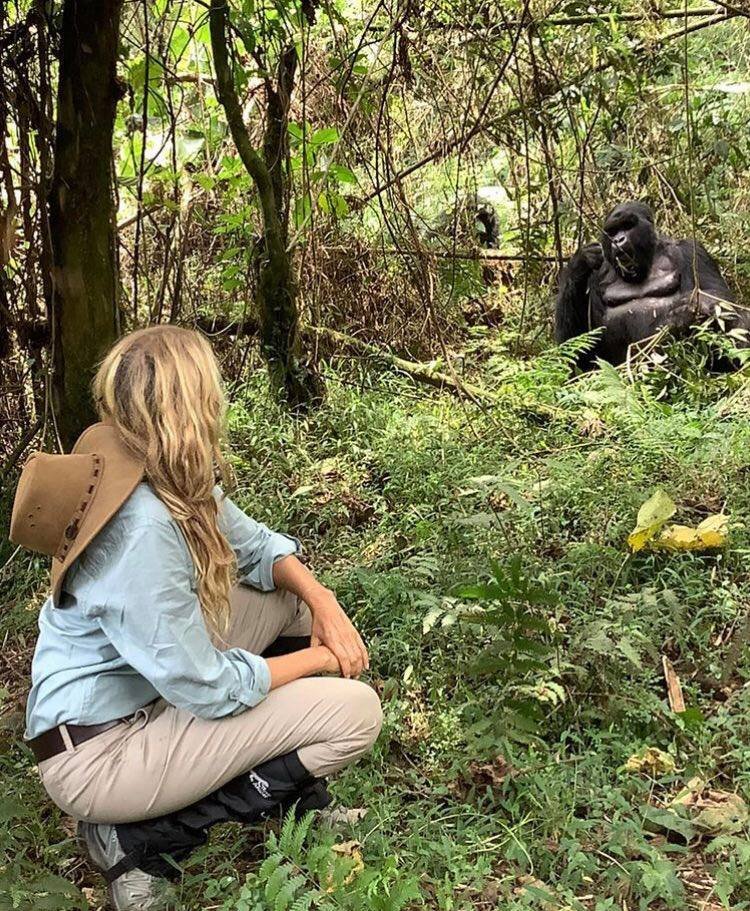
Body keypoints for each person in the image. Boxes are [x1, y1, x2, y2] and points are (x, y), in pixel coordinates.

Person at [10, 325, 382, 910]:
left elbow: (257, 550)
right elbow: (207, 687)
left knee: (287, 600)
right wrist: (322, 660)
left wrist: (324, 602)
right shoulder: (141, 529)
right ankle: (134, 838)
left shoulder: (156, 468)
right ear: (189, 405)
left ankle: (288, 793)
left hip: (144, 696)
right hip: (99, 754)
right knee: (355, 715)